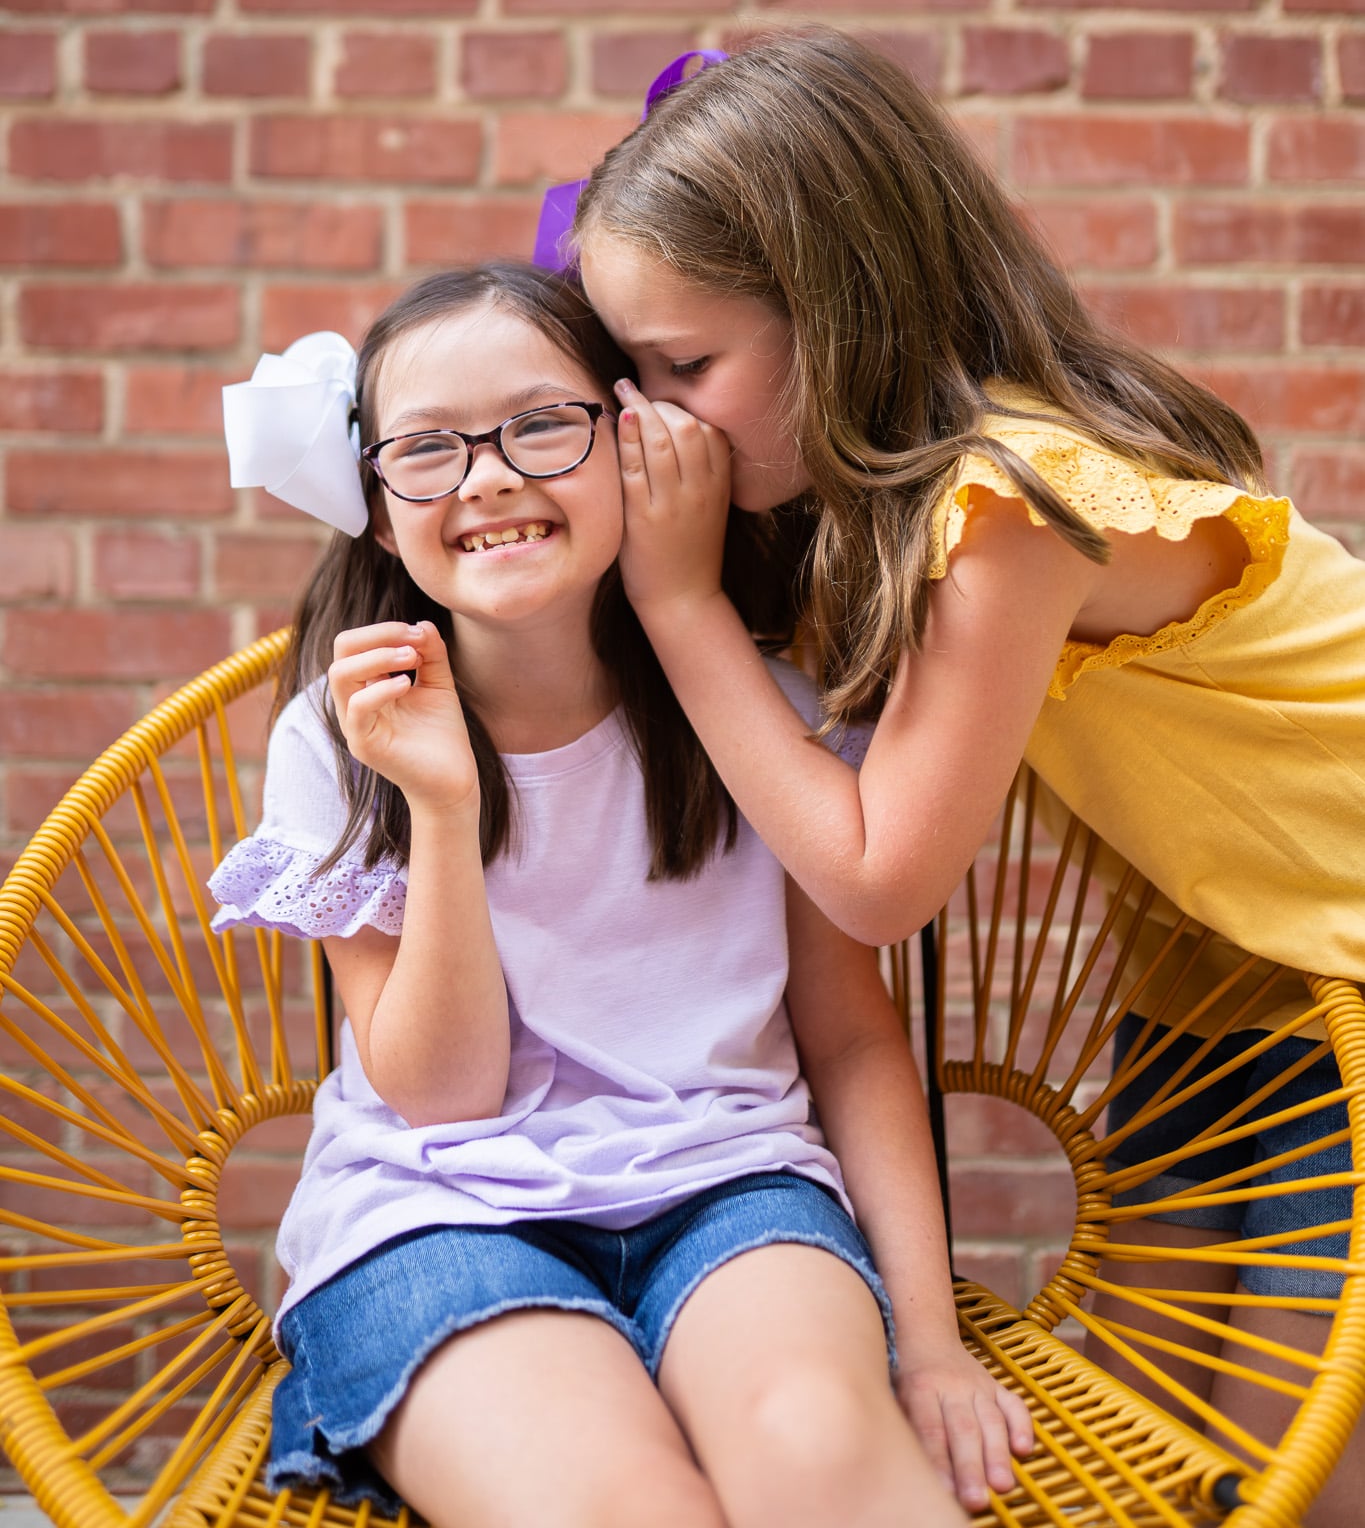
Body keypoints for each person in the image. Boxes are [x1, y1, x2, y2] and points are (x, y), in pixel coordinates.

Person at [572, 28, 1365, 1528]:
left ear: (838, 312)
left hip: (1338, 947)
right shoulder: (886, 509)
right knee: (1150, 1446)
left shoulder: (1007, 505)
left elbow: (879, 872)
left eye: (686, 366)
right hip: (1231, 973)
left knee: (1287, 1482)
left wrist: (679, 608)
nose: (655, 416)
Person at [208, 261, 1033, 1528]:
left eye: (541, 423)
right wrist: (440, 805)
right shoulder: (343, 736)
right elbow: (440, 1090)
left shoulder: (761, 713)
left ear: (631, 440)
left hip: (735, 1187)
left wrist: (928, 1339)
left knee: (820, 1459)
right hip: (437, 1214)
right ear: (378, 510)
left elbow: (854, 1035)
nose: (487, 475)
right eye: (426, 449)